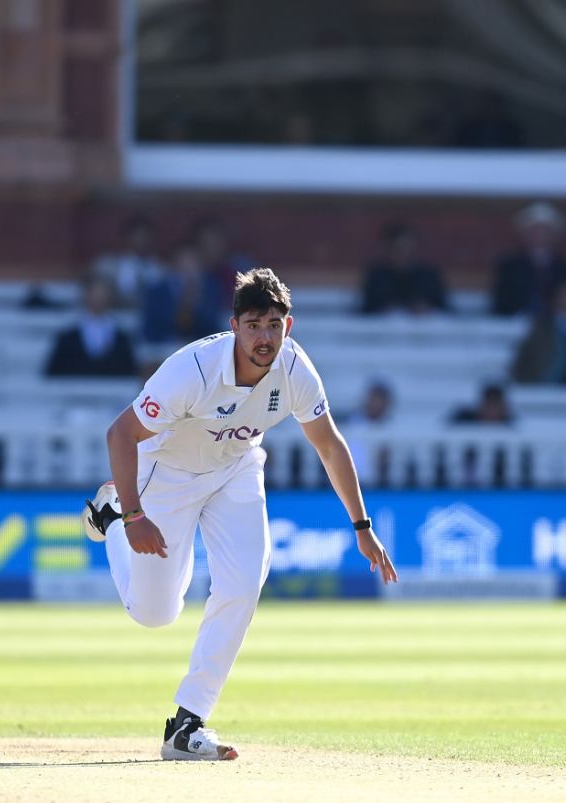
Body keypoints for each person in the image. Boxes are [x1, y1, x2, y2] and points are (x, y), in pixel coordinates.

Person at [80, 268, 397, 761]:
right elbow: (120, 433)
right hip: (167, 474)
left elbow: (330, 446)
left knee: (245, 581)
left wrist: (362, 526)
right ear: (234, 327)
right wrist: (136, 517)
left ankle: (187, 724)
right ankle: (113, 512)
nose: (264, 337)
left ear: (288, 326)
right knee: (155, 613)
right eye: (253, 325)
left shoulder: (295, 369)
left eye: (273, 325)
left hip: (236, 468)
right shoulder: (194, 370)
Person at [489, 202, 566, 316]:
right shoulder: (509, 267)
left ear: (554, 235)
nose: (540, 235)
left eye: (545, 231)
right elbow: (501, 301)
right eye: (535, 230)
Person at [45, 274, 139, 378]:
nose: (98, 298)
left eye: (102, 294)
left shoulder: (123, 340)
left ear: (110, 297)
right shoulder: (66, 339)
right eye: (94, 293)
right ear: (85, 295)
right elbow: (53, 374)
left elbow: (130, 373)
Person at [359, 222, 450, 315]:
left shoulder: (429, 276)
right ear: (388, 248)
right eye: (398, 247)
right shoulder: (377, 277)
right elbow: (367, 309)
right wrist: (385, 309)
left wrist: (427, 309)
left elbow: (444, 309)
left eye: (408, 247)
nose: (404, 252)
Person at [93, 215, 167, 307]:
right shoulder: (107, 266)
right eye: (137, 235)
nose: (142, 240)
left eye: (146, 236)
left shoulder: (162, 270)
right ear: (126, 238)